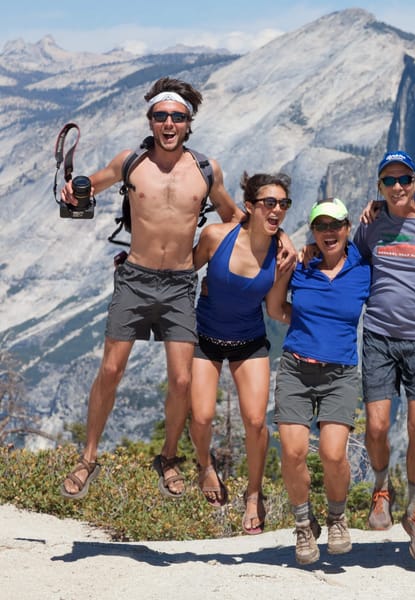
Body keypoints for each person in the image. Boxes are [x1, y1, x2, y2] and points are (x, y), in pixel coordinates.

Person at [60, 77, 244, 500]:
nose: (168, 123)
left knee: (181, 380)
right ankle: (88, 458)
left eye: (177, 117)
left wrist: (269, 242)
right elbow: (90, 185)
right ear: (151, 120)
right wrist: (74, 191)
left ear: (188, 123)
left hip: (180, 284)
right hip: (135, 279)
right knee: (110, 370)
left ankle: (168, 458)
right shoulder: (130, 163)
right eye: (161, 116)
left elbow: (233, 217)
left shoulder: (206, 170)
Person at [354, 150, 415, 562]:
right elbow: (348, 261)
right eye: (388, 181)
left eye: (404, 179)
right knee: (377, 427)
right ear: (380, 186)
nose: (397, 187)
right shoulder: (370, 224)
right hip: (378, 336)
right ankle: (382, 488)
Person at [266, 198, 371, 565]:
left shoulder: (363, 267)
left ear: (347, 228)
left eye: (335, 225)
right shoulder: (299, 265)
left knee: (332, 453)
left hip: (340, 373)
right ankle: (302, 523)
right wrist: (303, 321)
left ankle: (337, 518)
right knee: (293, 452)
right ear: (312, 231)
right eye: (321, 226)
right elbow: (275, 309)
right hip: (296, 369)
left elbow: (395, 291)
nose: (329, 232)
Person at [189, 172, 292, 534]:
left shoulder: (282, 256)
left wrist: (318, 318)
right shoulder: (216, 237)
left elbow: (275, 309)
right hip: (205, 337)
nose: (277, 210)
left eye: (283, 204)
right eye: (269, 203)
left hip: (249, 341)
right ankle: (205, 466)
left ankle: (254, 493)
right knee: (202, 417)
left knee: (256, 421)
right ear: (250, 206)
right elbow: (183, 270)